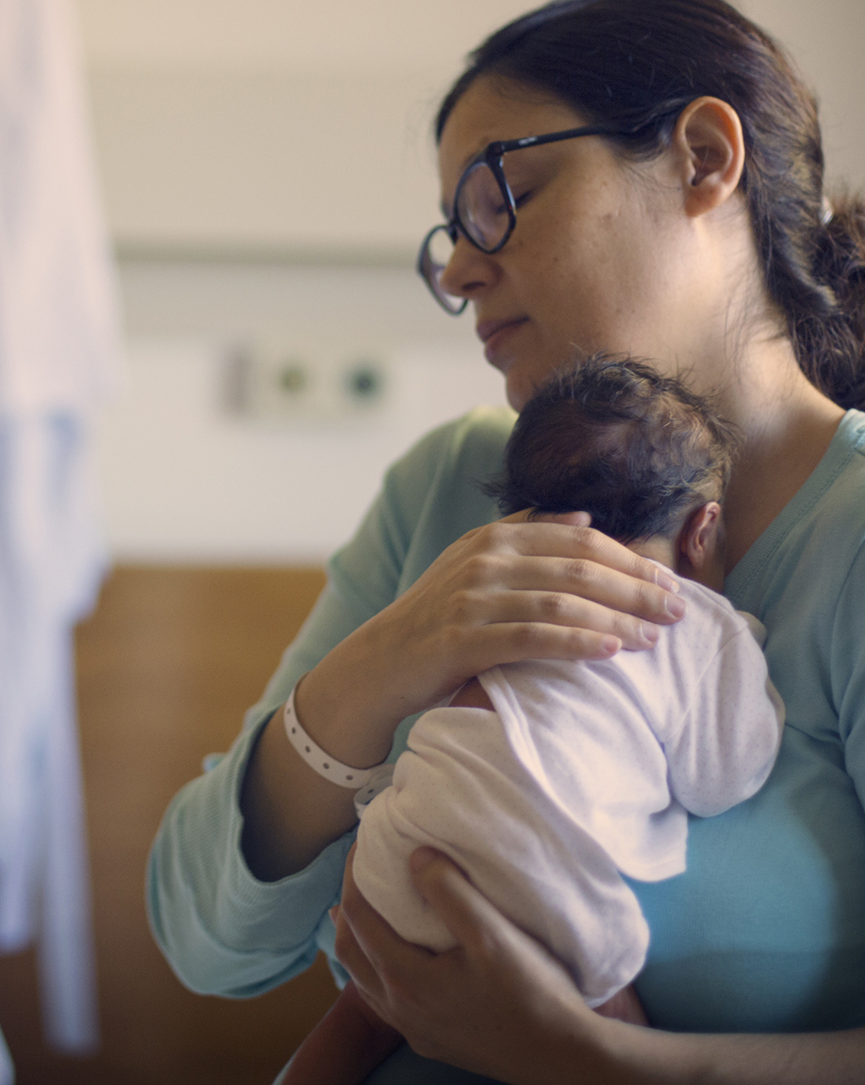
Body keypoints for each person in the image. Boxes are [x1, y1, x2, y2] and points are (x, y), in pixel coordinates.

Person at [145, 0, 865, 1083]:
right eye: (448, 232)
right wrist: (385, 661)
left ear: (700, 155)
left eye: (500, 192)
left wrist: (594, 1062)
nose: (456, 267)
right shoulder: (448, 488)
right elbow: (208, 943)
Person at [282, 354, 785, 1085]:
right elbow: (723, 778)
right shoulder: (696, 622)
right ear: (702, 530)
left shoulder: (501, 588)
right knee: (602, 1011)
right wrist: (755, 660)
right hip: (532, 868)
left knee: (363, 1013)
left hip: (393, 850)